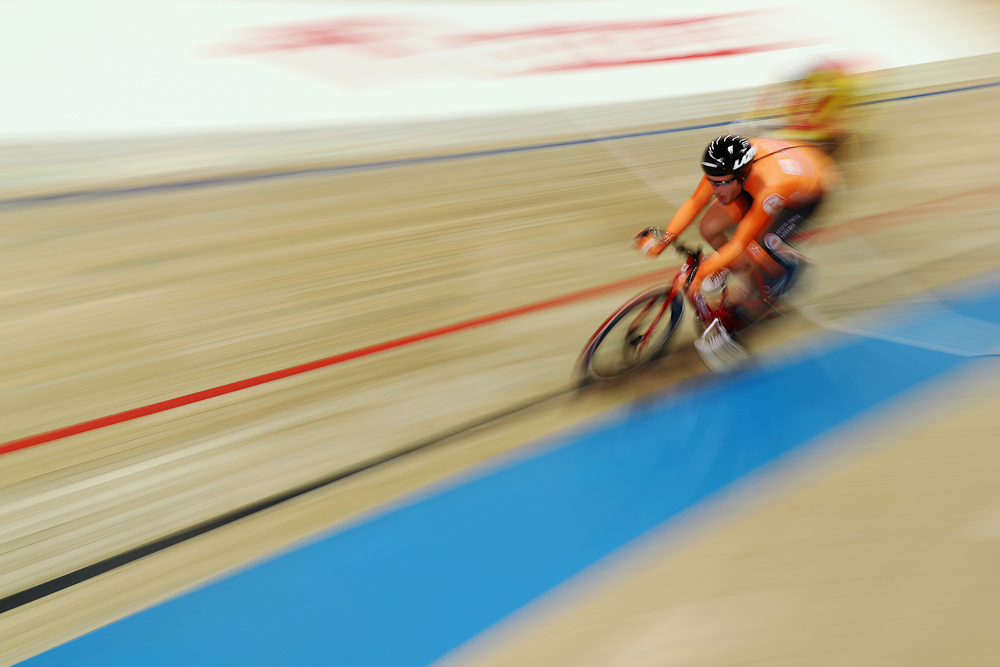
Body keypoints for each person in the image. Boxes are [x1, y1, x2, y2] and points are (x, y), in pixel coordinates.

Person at [633, 134, 839, 370]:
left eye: (721, 183)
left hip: (807, 192)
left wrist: (703, 272)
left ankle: (779, 274)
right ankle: (735, 265)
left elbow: (740, 243)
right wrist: (664, 241)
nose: (714, 188)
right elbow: (694, 203)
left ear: (741, 176)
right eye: (711, 181)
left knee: (756, 247)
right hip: (773, 169)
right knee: (709, 227)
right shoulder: (724, 166)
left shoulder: (770, 187)